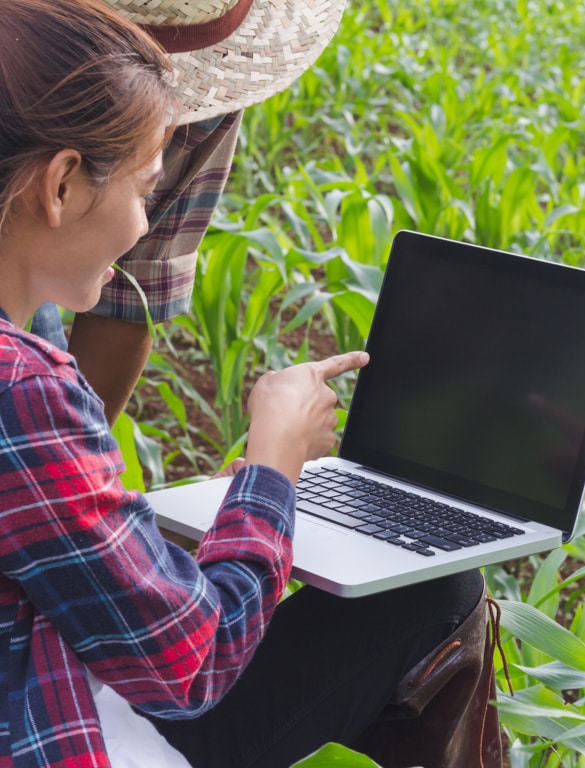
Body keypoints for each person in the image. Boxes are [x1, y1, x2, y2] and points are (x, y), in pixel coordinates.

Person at [0, 2, 484, 767]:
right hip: (47, 720)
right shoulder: (22, 386)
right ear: (60, 185)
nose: (141, 228)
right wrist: (271, 474)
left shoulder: (28, 336)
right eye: (143, 189)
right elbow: (191, 663)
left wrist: (142, 529)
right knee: (441, 596)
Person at [29, 0, 349, 424]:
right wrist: (269, 468)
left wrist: (79, 463)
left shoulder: (211, 84)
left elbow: (136, 285)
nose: (145, 218)